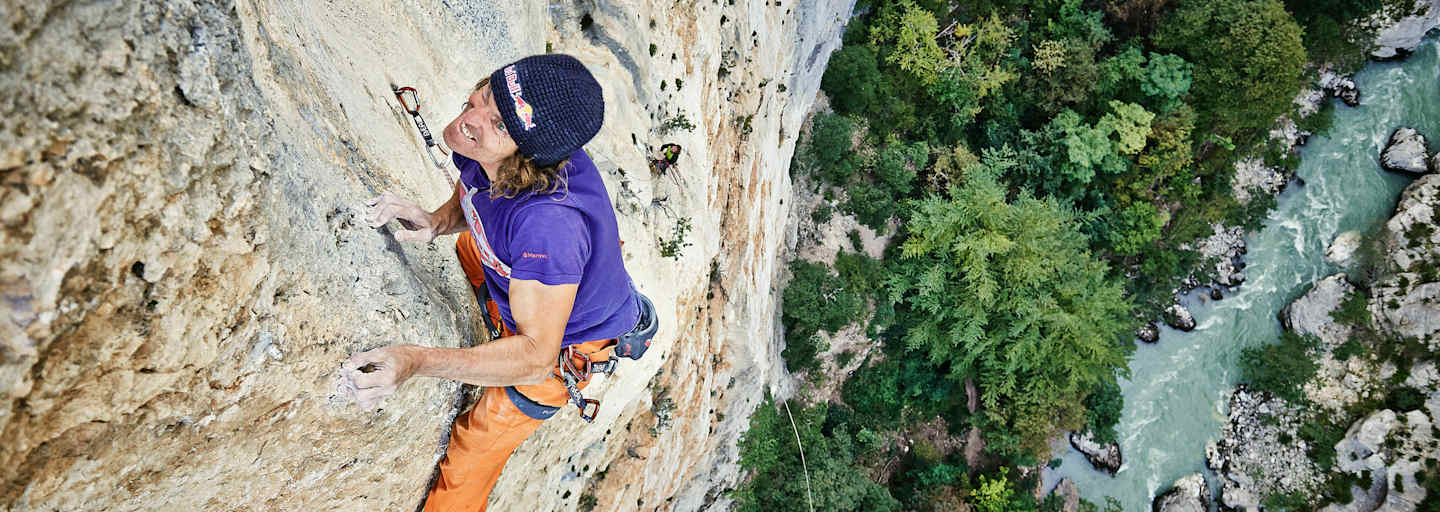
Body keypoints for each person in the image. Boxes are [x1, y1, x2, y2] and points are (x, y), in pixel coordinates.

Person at [342, 54, 648, 511]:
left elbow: (533, 359)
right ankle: (501, 314)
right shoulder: (494, 142)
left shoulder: (549, 227)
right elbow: (473, 186)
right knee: (470, 249)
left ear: (524, 159)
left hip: (564, 347)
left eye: (498, 124)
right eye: (483, 97)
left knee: (468, 460)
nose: (469, 120)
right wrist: (437, 221)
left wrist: (414, 362)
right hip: (532, 289)